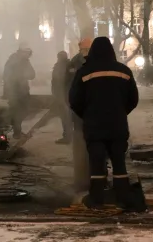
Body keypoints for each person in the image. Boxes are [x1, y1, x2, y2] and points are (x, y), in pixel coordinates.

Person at [68, 36, 140, 210]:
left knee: (97, 162)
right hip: (118, 126)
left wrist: (86, 115)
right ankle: (123, 196)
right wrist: (121, 112)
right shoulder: (123, 71)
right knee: (119, 161)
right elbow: (133, 99)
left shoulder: (84, 73)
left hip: (94, 127)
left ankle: (97, 198)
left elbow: (74, 100)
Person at [67, 37, 92, 194]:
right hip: (82, 113)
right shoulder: (76, 63)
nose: (86, 52)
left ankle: (88, 179)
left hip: (86, 112)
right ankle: (82, 180)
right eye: (84, 49)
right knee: (81, 146)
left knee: (89, 147)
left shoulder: (82, 63)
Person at [2, 42, 35, 138]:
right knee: (17, 111)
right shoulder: (13, 61)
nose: (28, 56)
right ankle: (16, 132)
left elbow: (32, 74)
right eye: (27, 53)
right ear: (22, 52)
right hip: (15, 92)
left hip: (22, 91)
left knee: (22, 111)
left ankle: (17, 130)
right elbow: (6, 76)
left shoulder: (25, 61)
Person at [51, 51, 71, 144]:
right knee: (69, 117)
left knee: (65, 117)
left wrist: (55, 94)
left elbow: (56, 81)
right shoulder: (70, 65)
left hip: (63, 96)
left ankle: (67, 137)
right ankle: (70, 136)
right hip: (67, 95)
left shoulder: (59, 67)